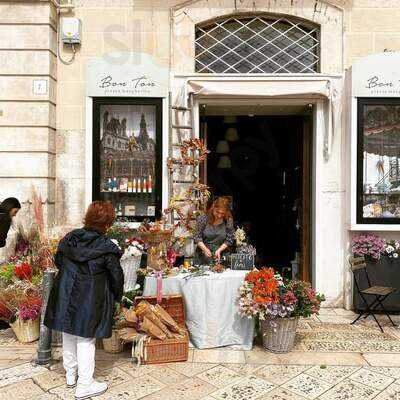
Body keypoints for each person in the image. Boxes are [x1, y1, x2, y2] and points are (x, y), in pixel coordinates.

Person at [44, 201, 124, 400]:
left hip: (66, 292)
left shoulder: (70, 238)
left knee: (69, 333)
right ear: (108, 224)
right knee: (86, 339)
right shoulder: (107, 247)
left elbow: (59, 261)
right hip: (90, 297)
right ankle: (85, 385)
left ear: (88, 217)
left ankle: (71, 376)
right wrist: (117, 296)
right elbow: (116, 276)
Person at [193, 197, 235, 265]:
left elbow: (230, 238)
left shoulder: (228, 220)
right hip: (203, 254)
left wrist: (219, 250)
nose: (219, 215)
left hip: (221, 254)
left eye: (222, 213)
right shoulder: (203, 218)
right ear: (213, 208)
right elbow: (197, 237)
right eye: (217, 212)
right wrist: (205, 249)